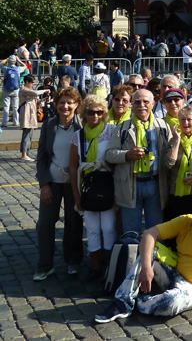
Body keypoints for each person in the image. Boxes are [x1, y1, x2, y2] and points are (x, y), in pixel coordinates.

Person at [94, 188, 192, 323]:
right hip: (175, 273)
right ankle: (122, 302)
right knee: (149, 251)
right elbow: (149, 234)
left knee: (171, 304)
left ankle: (141, 303)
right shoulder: (185, 221)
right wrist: (146, 268)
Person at [105, 89, 175, 235]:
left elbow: (170, 155)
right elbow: (109, 155)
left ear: (153, 104)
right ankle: (131, 257)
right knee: (131, 231)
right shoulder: (123, 128)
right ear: (131, 104)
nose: (141, 105)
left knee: (155, 231)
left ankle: (153, 258)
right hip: (131, 185)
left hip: (156, 184)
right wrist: (127, 155)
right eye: (137, 102)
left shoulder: (162, 126)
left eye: (145, 102)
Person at [34, 87, 84, 280]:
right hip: (53, 181)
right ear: (55, 104)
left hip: (73, 182)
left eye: (69, 102)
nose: (65, 106)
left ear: (76, 105)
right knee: (45, 223)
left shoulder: (82, 125)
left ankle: (73, 261)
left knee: (74, 222)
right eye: (61, 102)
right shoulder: (49, 125)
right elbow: (41, 158)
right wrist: (44, 184)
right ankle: (45, 264)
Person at [69, 95, 116, 278]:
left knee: (109, 227)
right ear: (84, 114)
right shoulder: (78, 135)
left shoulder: (111, 131)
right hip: (87, 186)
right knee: (92, 228)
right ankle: (96, 266)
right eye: (90, 112)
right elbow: (73, 166)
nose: (95, 116)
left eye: (99, 112)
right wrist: (76, 194)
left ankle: (109, 265)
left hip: (106, 185)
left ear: (104, 113)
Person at [18, 75, 49, 160]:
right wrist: (44, 90)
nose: (33, 84)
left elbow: (36, 100)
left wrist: (43, 100)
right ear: (27, 82)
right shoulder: (23, 89)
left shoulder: (30, 90)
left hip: (32, 113)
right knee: (26, 134)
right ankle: (23, 154)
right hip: (26, 113)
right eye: (32, 82)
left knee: (30, 134)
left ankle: (27, 153)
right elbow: (35, 93)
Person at [2, 55, 21, 127]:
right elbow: (25, 66)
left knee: (6, 107)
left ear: (9, 61)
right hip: (15, 90)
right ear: (15, 61)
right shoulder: (18, 69)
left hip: (6, 89)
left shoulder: (6, 68)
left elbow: (0, 64)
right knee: (15, 107)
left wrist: (6, 59)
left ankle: (5, 122)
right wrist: (19, 61)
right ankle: (16, 121)